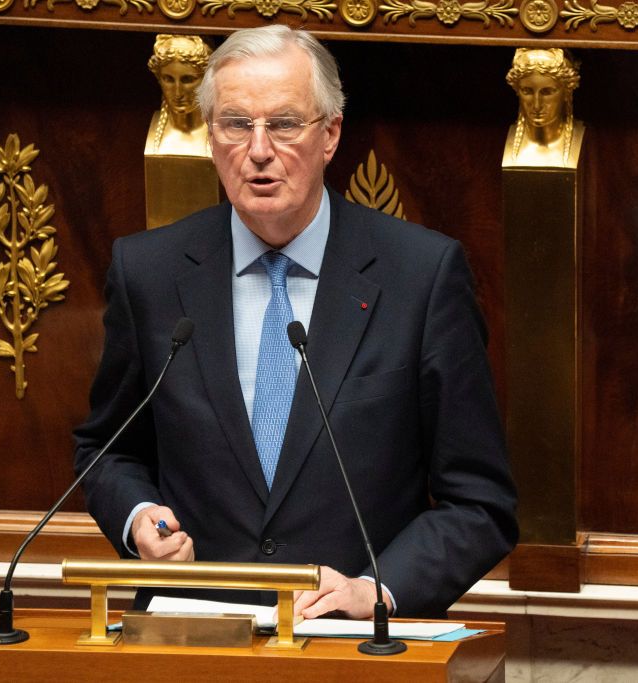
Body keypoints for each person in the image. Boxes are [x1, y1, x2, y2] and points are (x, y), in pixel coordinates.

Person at [74, 25, 518, 620]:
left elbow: (480, 502)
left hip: (354, 649)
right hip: (193, 636)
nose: (258, 150)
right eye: (236, 124)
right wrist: (138, 520)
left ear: (330, 134)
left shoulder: (421, 275)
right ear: (211, 136)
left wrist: (376, 591)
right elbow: (107, 448)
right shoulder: (148, 271)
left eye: (283, 124)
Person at [503, 48, 584, 168]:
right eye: (527, 91)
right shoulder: (500, 143)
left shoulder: (586, 140)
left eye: (547, 92)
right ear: (517, 90)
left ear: (567, 92)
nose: (537, 105)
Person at [145, 34, 212, 157]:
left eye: (187, 80)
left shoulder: (221, 133)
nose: (178, 93)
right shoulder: (155, 137)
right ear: (159, 79)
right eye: (168, 79)